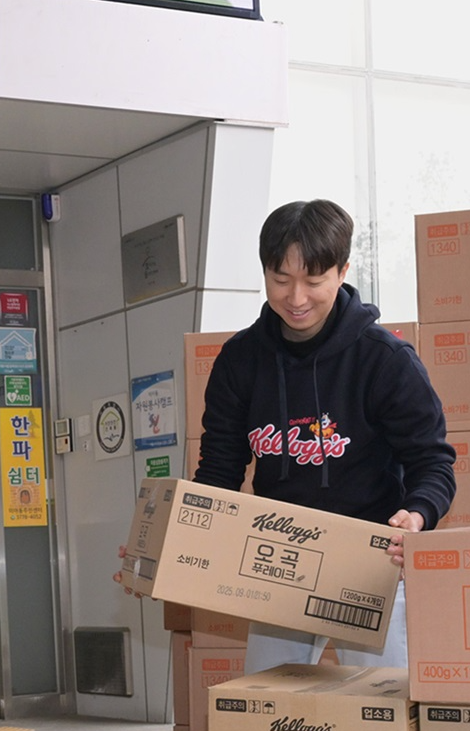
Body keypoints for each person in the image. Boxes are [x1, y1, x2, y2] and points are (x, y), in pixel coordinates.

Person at [195, 199, 455, 670]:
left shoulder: (384, 360)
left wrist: (417, 514)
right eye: (281, 279)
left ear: (342, 272)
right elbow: (218, 469)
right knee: (269, 700)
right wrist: (181, 539)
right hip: (278, 560)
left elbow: (432, 462)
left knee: (383, 701)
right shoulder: (240, 361)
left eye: (314, 281)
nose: (296, 298)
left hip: (371, 561)